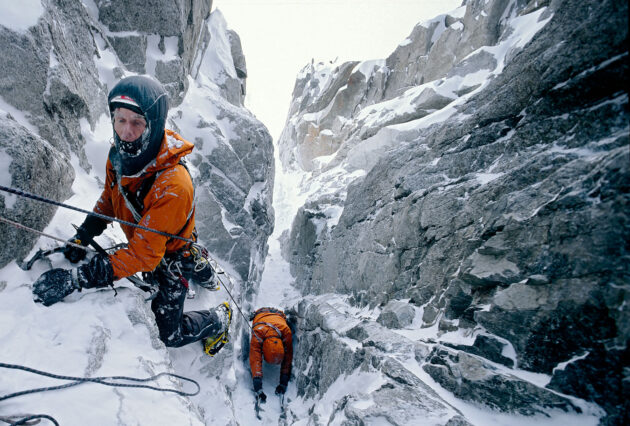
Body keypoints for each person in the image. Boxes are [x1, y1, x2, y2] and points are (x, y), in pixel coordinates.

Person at [32, 75, 231, 354]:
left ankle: (219, 318)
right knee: (170, 248)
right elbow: (112, 200)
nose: (126, 131)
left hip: (168, 252)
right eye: (120, 120)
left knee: (168, 333)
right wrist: (84, 235)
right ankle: (201, 267)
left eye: (137, 123)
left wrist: (76, 279)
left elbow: (143, 255)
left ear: (154, 125)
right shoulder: (119, 156)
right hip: (154, 235)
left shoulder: (173, 186)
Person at [249, 307, 293, 403]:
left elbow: (288, 357)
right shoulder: (258, 333)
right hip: (261, 314)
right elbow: (255, 358)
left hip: (277, 316)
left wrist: (283, 382)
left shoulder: (286, 332)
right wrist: (257, 385)